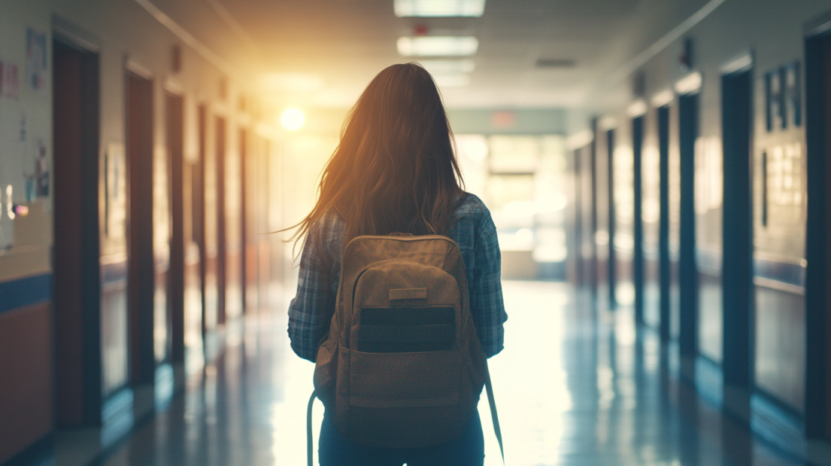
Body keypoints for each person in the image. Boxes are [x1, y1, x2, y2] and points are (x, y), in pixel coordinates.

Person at [287, 62, 507, 466]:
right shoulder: (471, 216)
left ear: (362, 134)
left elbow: (304, 339)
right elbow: (489, 339)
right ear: (438, 135)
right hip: (450, 426)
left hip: (352, 427)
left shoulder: (332, 221)